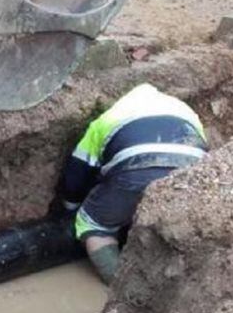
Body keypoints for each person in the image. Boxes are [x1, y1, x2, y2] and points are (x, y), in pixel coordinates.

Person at [61, 83, 206, 283]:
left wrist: (70, 207)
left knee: (93, 223)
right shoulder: (185, 111)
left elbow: (78, 170)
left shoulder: (108, 119)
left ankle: (123, 289)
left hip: (136, 167)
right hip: (191, 173)